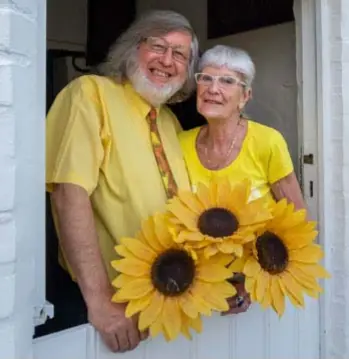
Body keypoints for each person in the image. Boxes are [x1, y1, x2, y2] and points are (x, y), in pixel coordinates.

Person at [45, 10, 199, 353]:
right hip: (105, 307)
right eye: (157, 46)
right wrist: (100, 301)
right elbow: (69, 196)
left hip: (166, 300)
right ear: (132, 49)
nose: (167, 60)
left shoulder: (170, 122)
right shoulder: (90, 93)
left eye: (180, 55)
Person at [179, 45, 307, 313]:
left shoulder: (266, 142)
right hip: (196, 288)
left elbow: (297, 221)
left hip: (256, 293)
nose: (213, 88)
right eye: (206, 78)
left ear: (245, 96)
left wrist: (250, 286)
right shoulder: (180, 143)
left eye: (227, 81)